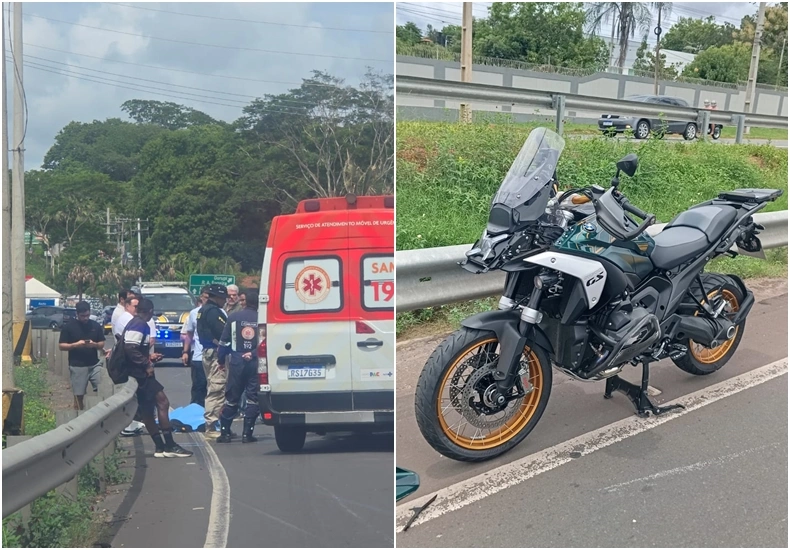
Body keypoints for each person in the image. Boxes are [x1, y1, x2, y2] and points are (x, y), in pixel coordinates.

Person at [124, 298, 192, 458]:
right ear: (149, 312)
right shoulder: (140, 324)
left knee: (148, 410)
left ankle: (160, 446)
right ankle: (169, 445)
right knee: (163, 402)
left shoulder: (135, 323)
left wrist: (149, 356)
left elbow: (133, 347)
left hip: (137, 372)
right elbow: (130, 348)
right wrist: (146, 363)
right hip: (141, 374)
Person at [216, 290, 261, 443]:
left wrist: (221, 360)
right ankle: (247, 434)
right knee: (253, 398)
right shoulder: (262, 319)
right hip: (256, 362)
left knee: (232, 397)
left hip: (236, 362)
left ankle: (225, 433)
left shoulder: (234, 318)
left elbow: (224, 342)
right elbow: (266, 343)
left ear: (245, 302)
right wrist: (253, 353)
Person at [58, 301, 106, 410]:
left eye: (87, 315)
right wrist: (75, 345)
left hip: (94, 364)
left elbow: (102, 343)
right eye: (82, 316)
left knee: (103, 386)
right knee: (78, 394)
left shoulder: (95, 325)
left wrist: (94, 345)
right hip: (77, 365)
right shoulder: (69, 327)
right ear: (77, 314)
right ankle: (79, 412)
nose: (85, 318)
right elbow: (61, 346)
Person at [197, 285, 229, 438]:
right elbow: (224, 333)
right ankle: (211, 426)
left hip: (207, 352)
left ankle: (216, 425)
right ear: (217, 297)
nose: (225, 301)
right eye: (223, 298)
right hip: (215, 354)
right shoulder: (213, 312)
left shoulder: (203, 310)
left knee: (214, 386)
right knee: (217, 389)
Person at [181, 287, 209, 407]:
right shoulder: (194, 313)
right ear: (201, 298)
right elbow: (189, 334)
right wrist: (185, 351)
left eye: (209, 297)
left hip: (215, 358)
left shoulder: (220, 313)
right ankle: (195, 411)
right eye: (205, 297)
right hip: (198, 357)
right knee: (198, 386)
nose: (207, 300)